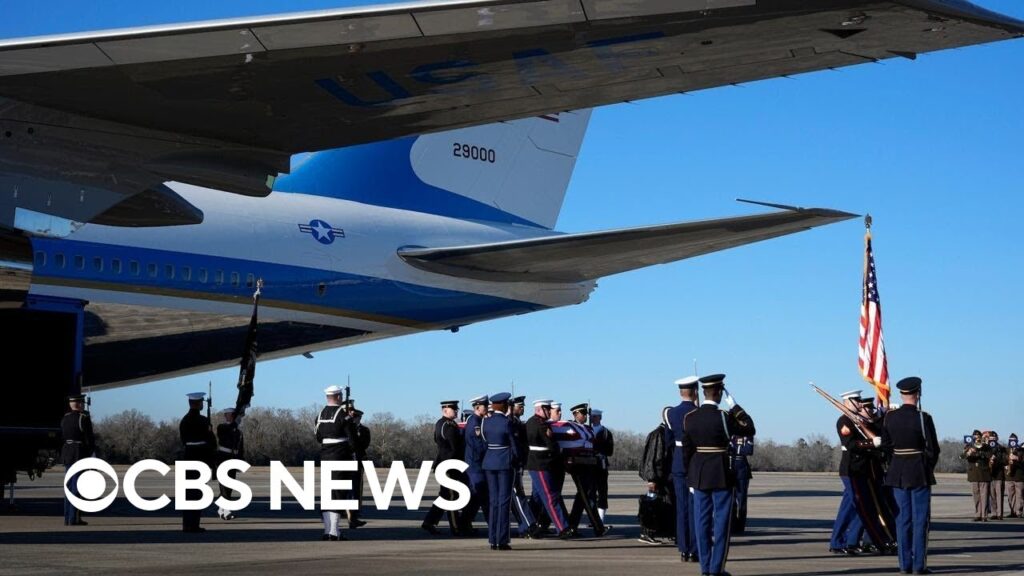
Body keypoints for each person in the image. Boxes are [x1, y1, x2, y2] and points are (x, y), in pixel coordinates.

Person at [681, 373, 755, 576]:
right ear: (720, 393)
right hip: (721, 473)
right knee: (721, 524)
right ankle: (716, 569)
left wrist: (690, 476)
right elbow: (749, 428)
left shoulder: (690, 418)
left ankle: (705, 569)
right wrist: (736, 407)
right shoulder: (723, 416)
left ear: (703, 392)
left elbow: (686, 450)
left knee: (701, 523)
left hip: (698, 474)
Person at [880, 376, 939, 575]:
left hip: (897, 473)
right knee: (921, 519)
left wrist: (894, 464)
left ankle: (904, 565)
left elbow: (886, 447)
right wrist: (925, 466)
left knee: (902, 519)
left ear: (902, 394)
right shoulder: (924, 418)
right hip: (919, 472)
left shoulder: (889, 417)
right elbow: (933, 449)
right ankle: (918, 566)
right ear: (918, 393)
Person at [315, 385, 356, 541]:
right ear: (339, 397)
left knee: (327, 494)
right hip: (341, 455)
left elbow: (318, 436)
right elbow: (352, 439)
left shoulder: (320, 415)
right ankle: (333, 531)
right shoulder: (343, 415)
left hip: (325, 455)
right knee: (338, 493)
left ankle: (329, 530)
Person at [526, 399, 572, 539]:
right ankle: (562, 527)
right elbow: (552, 446)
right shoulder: (540, 424)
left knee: (537, 497)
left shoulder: (532, 422)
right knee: (550, 496)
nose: (549, 412)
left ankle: (529, 526)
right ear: (540, 409)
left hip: (539, 463)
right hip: (541, 464)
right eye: (547, 409)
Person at [563, 403, 609, 536]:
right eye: (582, 414)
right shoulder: (571, 427)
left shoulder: (588, 429)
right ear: (575, 414)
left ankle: (573, 525)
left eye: (585, 414)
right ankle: (597, 527)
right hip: (577, 465)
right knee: (586, 495)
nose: (584, 416)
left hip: (589, 464)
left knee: (583, 497)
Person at [666, 376, 699, 561]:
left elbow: (668, 440)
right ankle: (694, 548)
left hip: (678, 461)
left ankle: (684, 549)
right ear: (695, 392)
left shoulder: (671, 413)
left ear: (680, 392)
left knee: (681, 508)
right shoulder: (697, 412)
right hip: (695, 461)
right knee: (695, 507)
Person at [423, 400, 465, 535]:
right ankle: (456, 527)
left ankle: (429, 522)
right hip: (449, 465)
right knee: (452, 497)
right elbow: (455, 447)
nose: (456, 411)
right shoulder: (448, 426)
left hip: (445, 463)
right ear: (445, 410)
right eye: (454, 410)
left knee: (445, 496)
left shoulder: (442, 424)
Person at [481, 392, 517, 550]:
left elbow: (484, 442)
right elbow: (514, 446)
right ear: (504, 405)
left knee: (493, 501)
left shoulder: (485, 422)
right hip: (504, 463)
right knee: (503, 502)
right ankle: (502, 540)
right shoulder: (507, 422)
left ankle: (492, 540)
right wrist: (518, 461)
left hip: (489, 462)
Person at [180, 392, 216, 533]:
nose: (202, 404)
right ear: (197, 403)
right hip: (200, 457)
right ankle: (193, 525)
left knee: (188, 493)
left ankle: (187, 524)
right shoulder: (203, 421)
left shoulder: (184, 420)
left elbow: (184, 440)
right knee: (197, 493)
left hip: (188, 455)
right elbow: (211, 441)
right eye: (201, 402)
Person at [60, 393, 95, 527]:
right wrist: (91, 454)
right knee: (76, 487)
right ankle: (74, 518)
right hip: (79, 453)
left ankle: (67, 518)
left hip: (68, 452)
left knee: (68, 486)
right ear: (79, 404)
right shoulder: (83, 418)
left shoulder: (65, 418)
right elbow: (89, 439)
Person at [509, 395, 540, 538]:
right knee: (517, 494)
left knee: (517, 495)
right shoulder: (510, 422)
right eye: (519, 406)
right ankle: (528, 525)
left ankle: (525, 526)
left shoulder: (518, 423)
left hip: (518, 464)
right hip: (511, 464)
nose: (522, 409)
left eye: (522, 406)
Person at [460, 394, 490, 535]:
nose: (487, 408)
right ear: (477, 407)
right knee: (483, 496)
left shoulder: (480, 420)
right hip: (475, 465)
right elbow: (479, 445)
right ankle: (493, 525)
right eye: (485, 405)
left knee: (476, 497)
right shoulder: (475, 423)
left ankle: (464, 524)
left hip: (478, 465)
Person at [215, 407, 244, 521]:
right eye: (231, 414)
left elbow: (241, 447)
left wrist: (240, 461)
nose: (232, 416)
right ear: (226, 415)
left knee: (230, 486)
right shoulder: (222, 427)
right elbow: (224, 435)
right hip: (223, 457)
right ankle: (226, 510)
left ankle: (221, 508)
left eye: (233, 414)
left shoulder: (238, 431)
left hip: (233, 458)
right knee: (224, 485)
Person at [962, 429, 992, 522]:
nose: (976, 439)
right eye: (974, 437)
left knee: (984, 495)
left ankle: (984, 515)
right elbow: (962, 456)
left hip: (984, 474)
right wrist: (968, 453)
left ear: (980, 438)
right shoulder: (969, 446)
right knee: (976, 495)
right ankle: (978, 514)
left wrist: (978, 452)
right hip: (974, 474)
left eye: (978, 437)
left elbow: (989, 455)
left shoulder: (986, 447)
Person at [348, 407, 370, 528]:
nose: (355, 419)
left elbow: (364, 445)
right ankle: (347, 513)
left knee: (357, 489)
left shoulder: (364, 430)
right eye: (353, 417)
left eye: (356, 417)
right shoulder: (345, 429)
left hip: (358, 461)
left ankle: (355, 514)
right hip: (346, 460)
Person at [591, 408, 614, 524]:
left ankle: (600, 519)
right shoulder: (587, 430)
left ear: (600, 418)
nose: (593, 418)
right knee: (590, 493)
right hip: (589, 466)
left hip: (601, 466)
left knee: (602, 492)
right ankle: (593, 518)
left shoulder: (606, 433)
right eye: (592, 416)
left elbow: (610, 451)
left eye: (595, 416)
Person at [987, 431, 1007, 520]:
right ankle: (994, 513)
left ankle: (1000, 514)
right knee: (992, 495)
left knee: (999, 495)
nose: (992, 440)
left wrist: (996, 461)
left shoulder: (1001, 449)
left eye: (994, 439)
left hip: (998, 475)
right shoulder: (986, 448)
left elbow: (1005, 461)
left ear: (997, 439)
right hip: (989, 475)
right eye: (991, 438)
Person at [1007, 433, 1024, 518]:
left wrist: (1017, 458)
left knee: (1019, 495)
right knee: (1010, 496)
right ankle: (1012, 512)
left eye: (1013, 439)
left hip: (1019, 476)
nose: (1012, 441)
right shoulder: (1006, 450)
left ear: (1016, 440)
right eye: (1010, 439)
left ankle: (1019, 512)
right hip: (1009, 476)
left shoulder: (1021, 450)